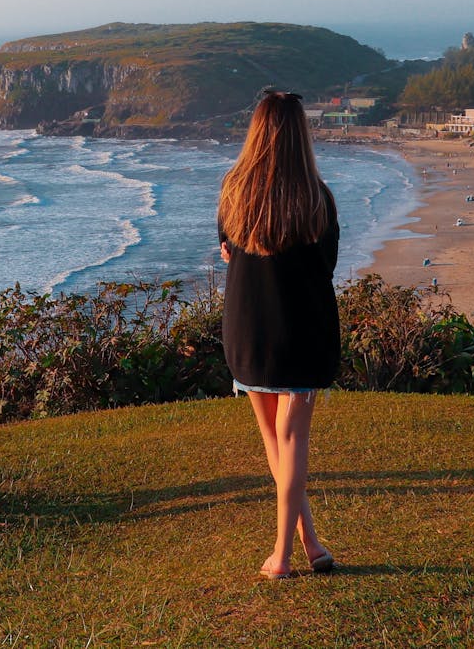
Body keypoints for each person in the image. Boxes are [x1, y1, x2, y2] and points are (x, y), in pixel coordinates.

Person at [218, 89, 340, 580]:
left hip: (248, 330)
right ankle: (287, 552)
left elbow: (227, 253)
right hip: (303, 333)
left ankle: (305, 545)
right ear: (301, 135)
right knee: (291, 442)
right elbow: (326, 266)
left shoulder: (233, 190)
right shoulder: (317, 196)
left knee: (275, 438)